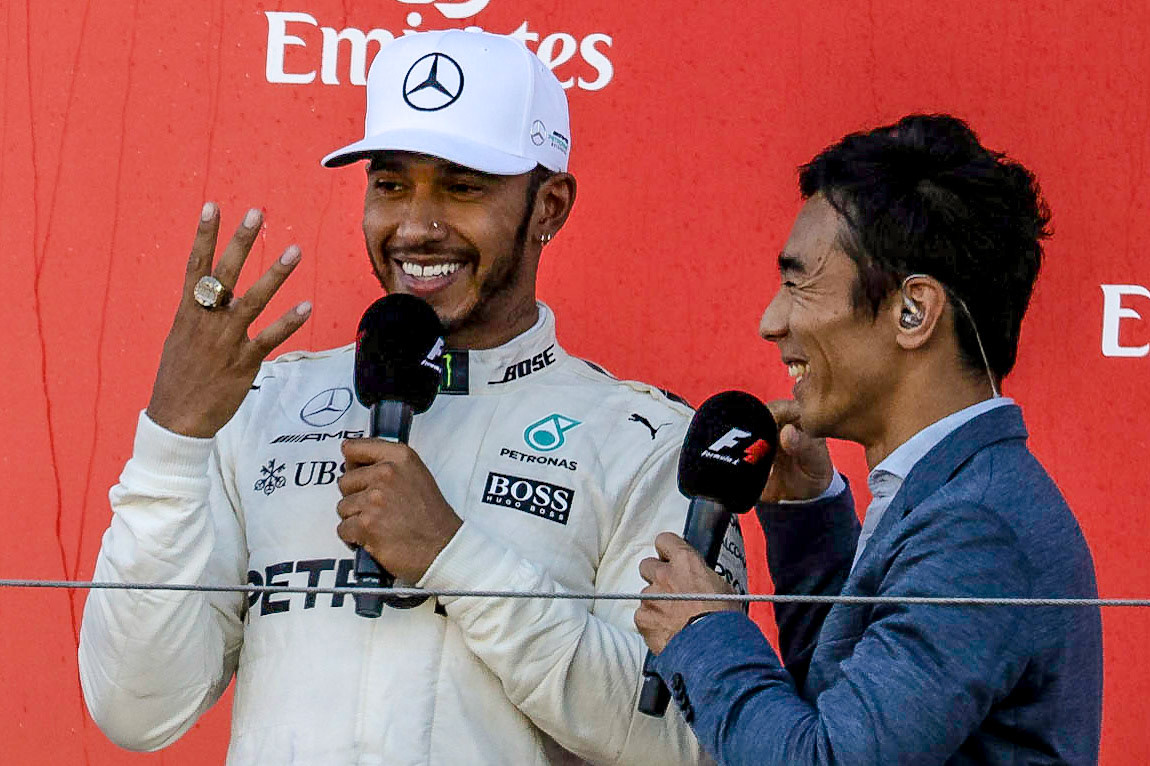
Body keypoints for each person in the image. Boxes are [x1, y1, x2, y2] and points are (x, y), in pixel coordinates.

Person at [79, 30, 743, 765]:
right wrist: (171, 443)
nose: (417, 227)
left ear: (549, 204)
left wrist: (453, 557)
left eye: (463, 187)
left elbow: (682, 741)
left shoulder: (645, 442)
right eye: (392, 185)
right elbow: (137, 709)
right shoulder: (264, 403)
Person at [634, 114, 1102, 765]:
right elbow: (845, 709)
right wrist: (807, 518)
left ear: (914, 312)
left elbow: (824, 759)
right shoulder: (954, 494)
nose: (772, 321)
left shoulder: (974, 528)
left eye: (799, 282)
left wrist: (703, 633)